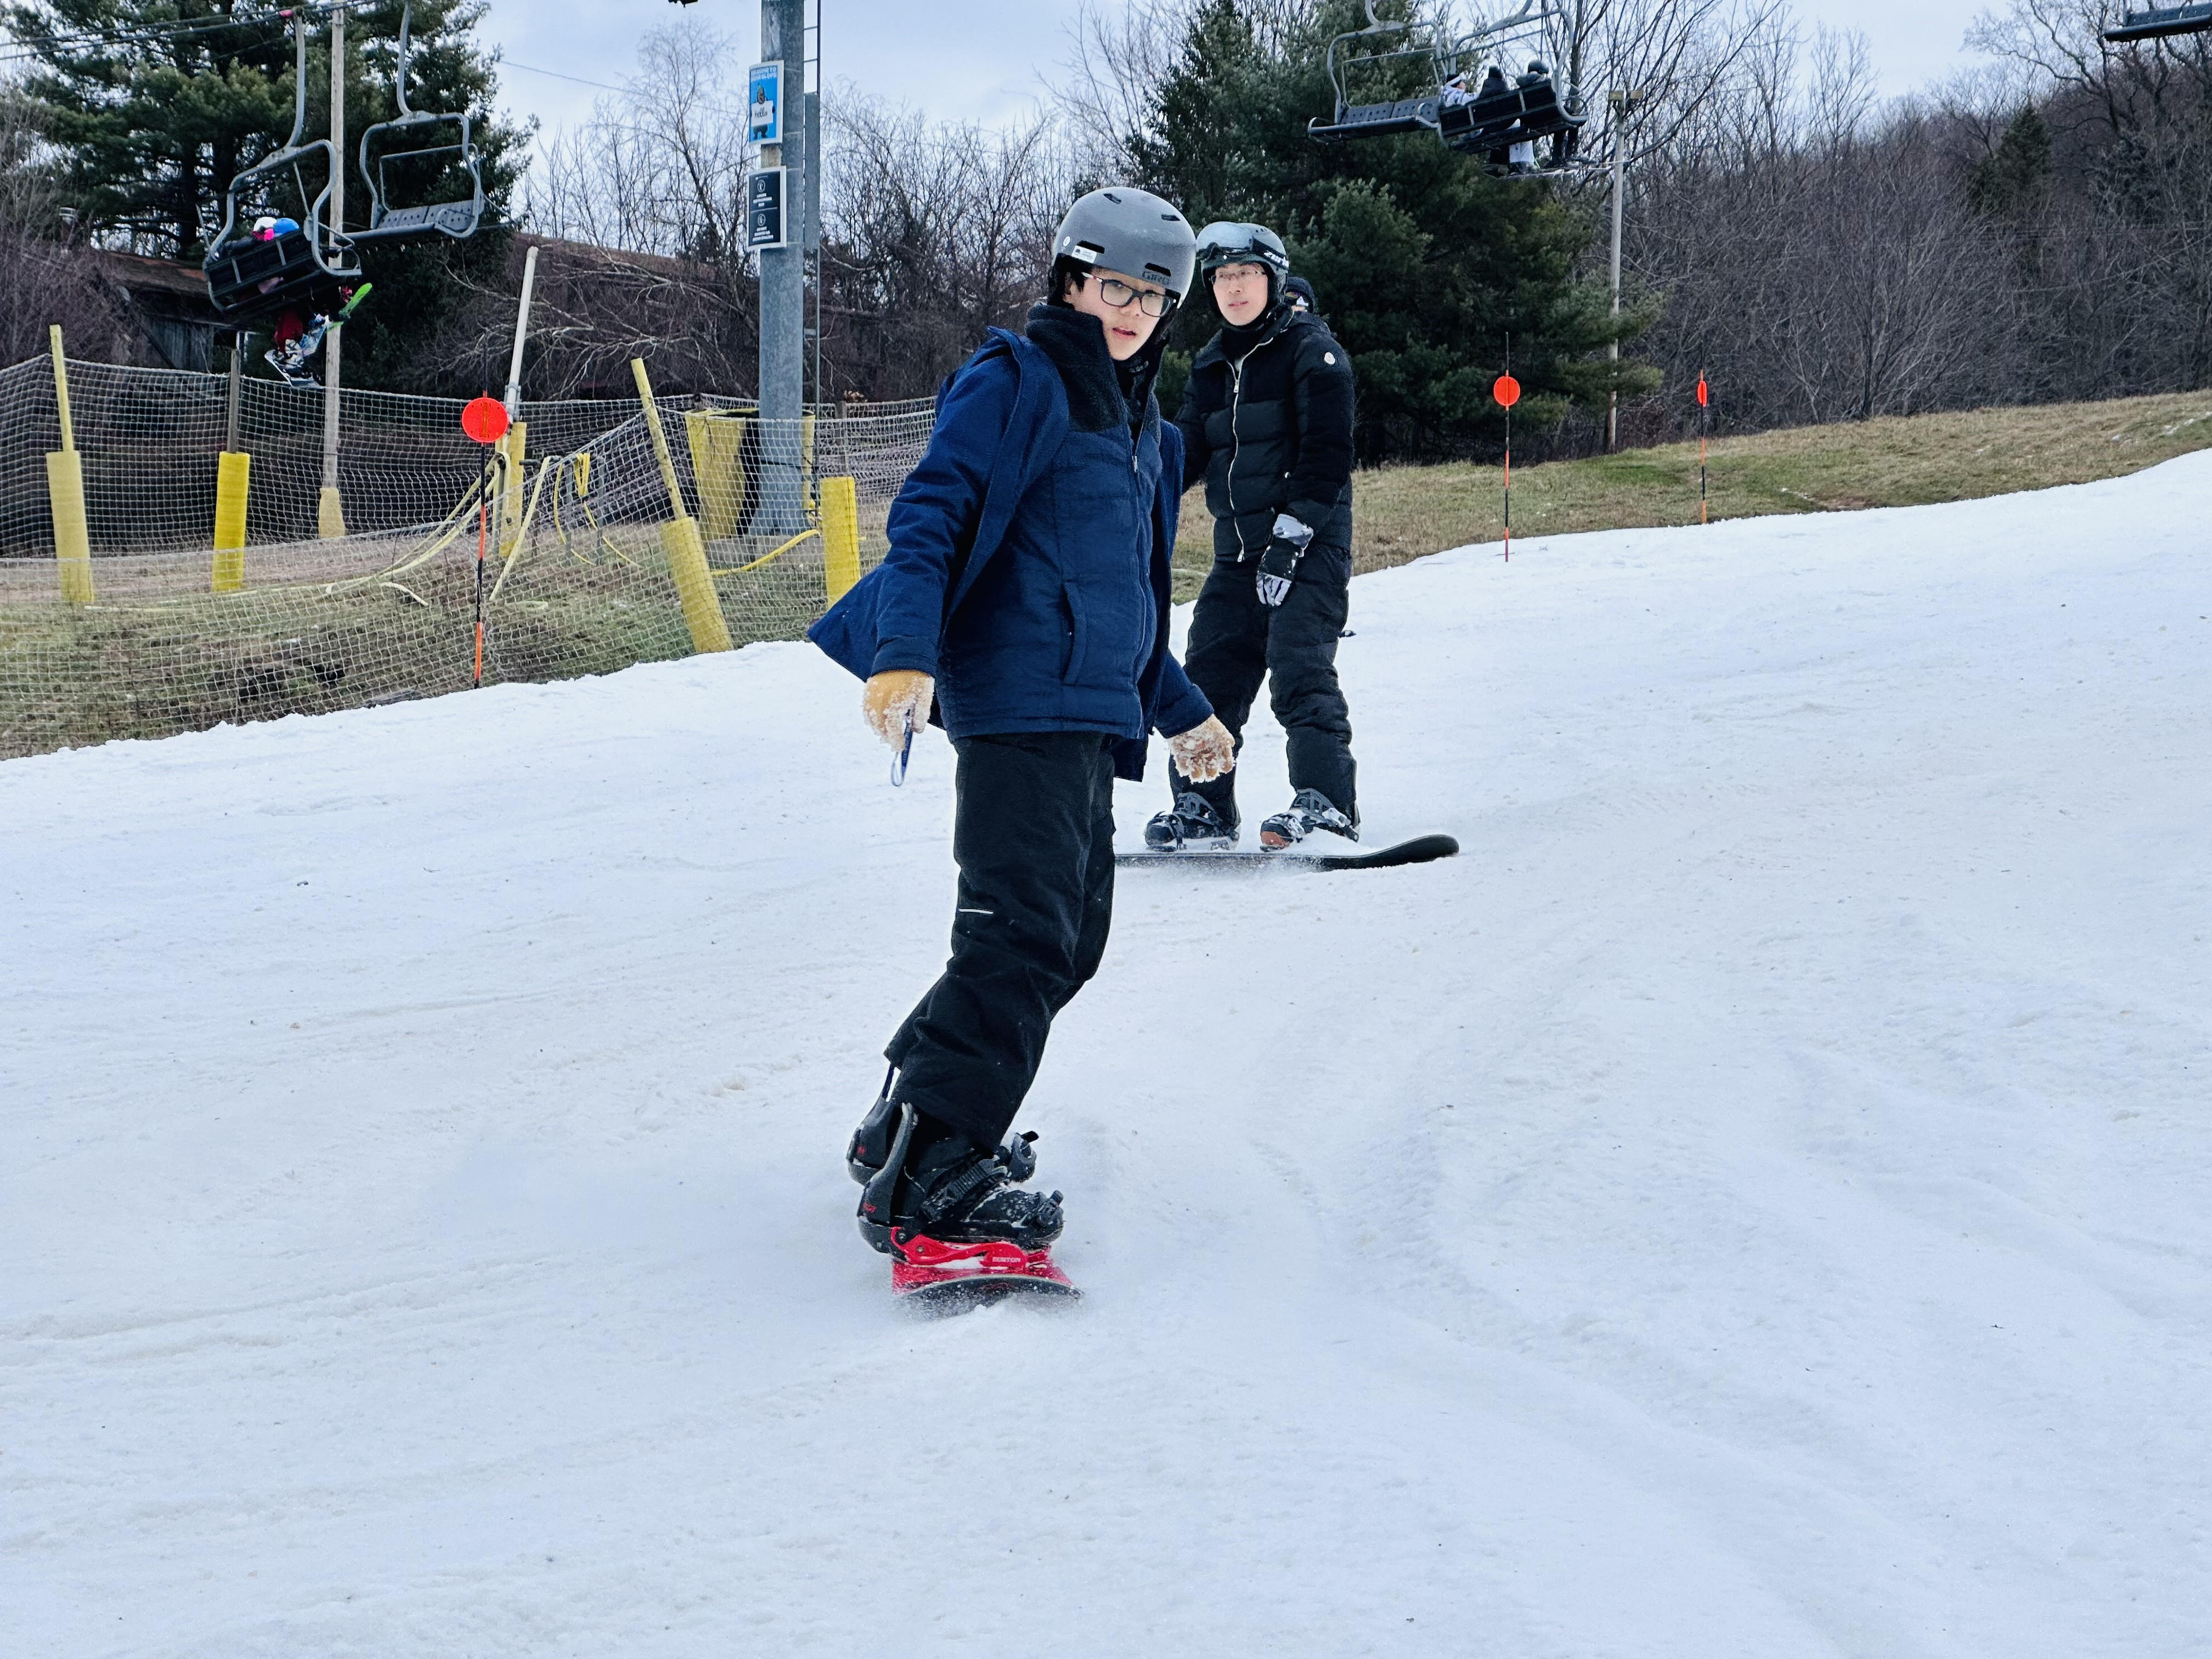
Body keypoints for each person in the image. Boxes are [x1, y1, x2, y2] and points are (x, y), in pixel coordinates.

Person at [809, 187, 1235, 1283]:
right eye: (1113, 287)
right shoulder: (1019, 381)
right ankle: (929, 1184)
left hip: (1089, 717)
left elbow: (1127, 607)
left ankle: (910, 1113)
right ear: (1069, 283)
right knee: (1019, 941)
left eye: (1154, 295)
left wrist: (1183, 712)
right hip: (1016, 706)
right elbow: (932, 512)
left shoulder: (1146, 430)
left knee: (1066, 942)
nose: (1132, 310)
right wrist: (906, 650)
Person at [1147, 223, 1359, 854]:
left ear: (1271, 279)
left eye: (1244, 276)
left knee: (1300, 668)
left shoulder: (1311, 352)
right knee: (1209, 674)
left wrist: (1292, 540)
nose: (1232, 289)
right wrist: (1137, 494)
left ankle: (1328, 803)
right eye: (1221, 279)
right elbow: (1183, 448)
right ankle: (1204, 806)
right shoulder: (1213, 363)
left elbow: (1328, 455)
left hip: (1309, 542)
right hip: (1237, 550)